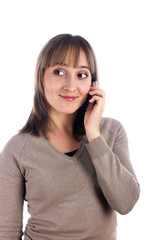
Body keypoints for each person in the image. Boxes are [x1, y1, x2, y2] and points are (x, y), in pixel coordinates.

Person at [0, 34, 140, 240]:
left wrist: (94, 134)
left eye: (81, 75)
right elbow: (7, 232)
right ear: (41, 77)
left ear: (93, 83)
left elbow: (126, 203)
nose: (70, 85)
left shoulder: (112, 132)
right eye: (59, 72)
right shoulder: (18, 149)